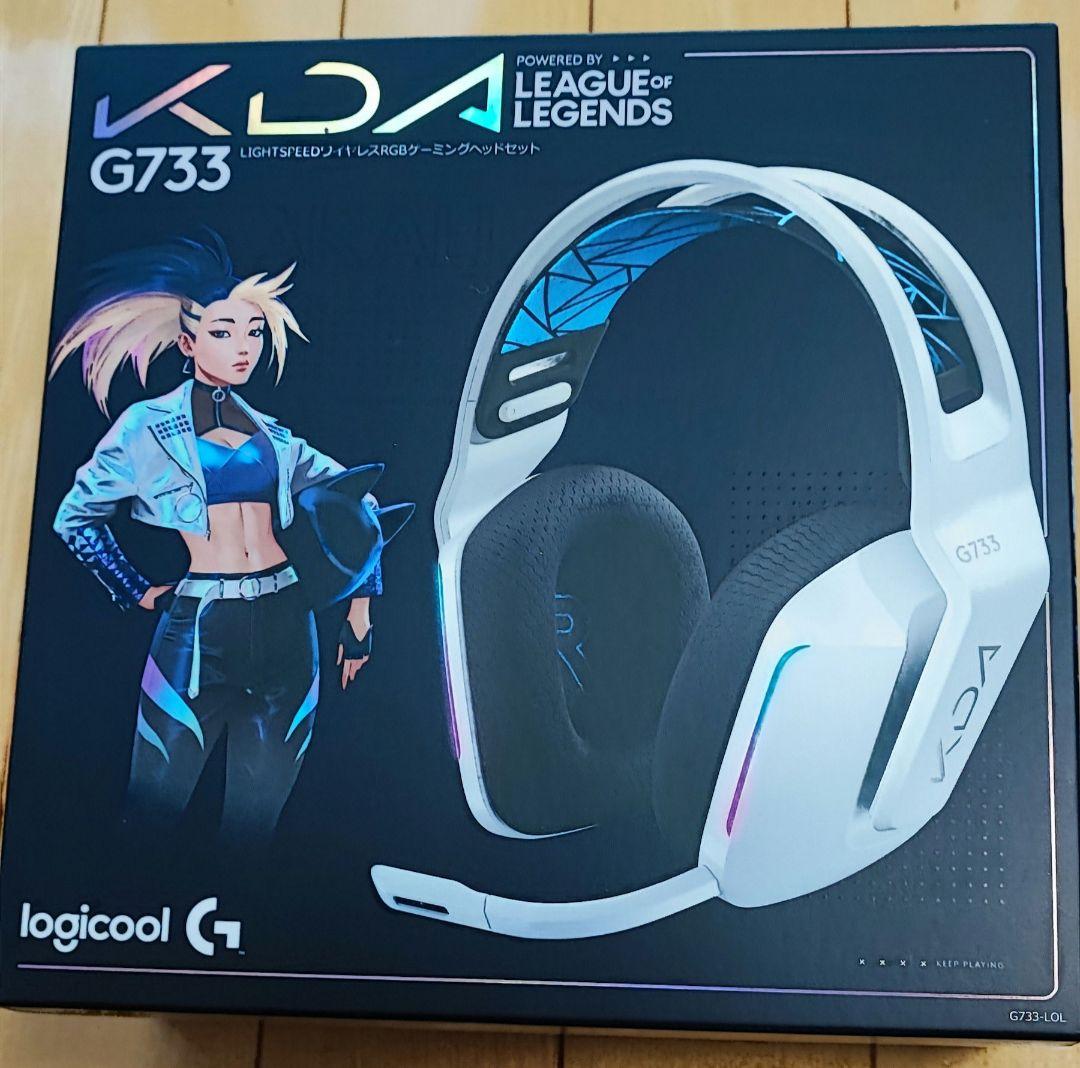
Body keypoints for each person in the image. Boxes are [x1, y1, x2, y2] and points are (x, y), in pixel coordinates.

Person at [50, 230, 387, 839]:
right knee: (151, 812)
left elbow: (360, 499)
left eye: (254, 332)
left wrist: (359, 614)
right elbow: (75, 516)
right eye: (224, 332)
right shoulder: (144, 429)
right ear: (188, 342)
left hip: (289, 626)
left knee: (256, 825)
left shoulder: (276, 437)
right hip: (200, 629)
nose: (244, 348)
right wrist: (132, 588)